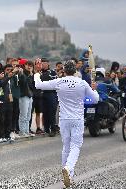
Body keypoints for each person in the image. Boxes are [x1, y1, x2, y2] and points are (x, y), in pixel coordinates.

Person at [34, 60, 99, 188]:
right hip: (77, 119)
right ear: (75, 70)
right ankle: (68, 169)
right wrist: (94, 89)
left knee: (66, 146)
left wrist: (37, 72)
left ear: (64, 70)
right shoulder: (82, 83)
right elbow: (95, 99)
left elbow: (38, 85)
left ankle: (68, 176)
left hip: (64, 119)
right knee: (75, 146)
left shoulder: (59, 81)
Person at [40, 58, 58, 137]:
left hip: (51, 94)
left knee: (52, 112)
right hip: (43, 94)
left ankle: (53, 129)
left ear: (48, 64)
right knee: (45, 112)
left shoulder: (52, 72)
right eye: (42, 63)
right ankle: (46, 129)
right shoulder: (39, 73)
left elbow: (55, 82)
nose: (43, 65)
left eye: (44, 63)